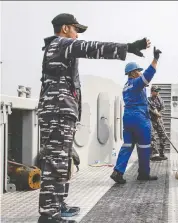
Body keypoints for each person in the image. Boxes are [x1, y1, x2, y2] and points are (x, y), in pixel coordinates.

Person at [38, 13, 150, 223]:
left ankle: (59, 205)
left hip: (61, 113)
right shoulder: (61, 44)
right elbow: (93, 48)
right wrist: (127, 47)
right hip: (57, 113)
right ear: (64, 29)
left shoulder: (60, 48)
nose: (77, 35)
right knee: (55, 163)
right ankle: (48, 216)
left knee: (62, 162)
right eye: (76, 30)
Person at [111, 46, 162, 184]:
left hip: (128, 117)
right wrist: (155, 59)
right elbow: (148, 76)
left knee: (127, 145)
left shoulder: (126, 86)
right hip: (139, 119)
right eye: (138, 71)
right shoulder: (136, 83)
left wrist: (151, 112)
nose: (140, 73)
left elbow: (137, 102)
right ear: (133, 73)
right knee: (144, 146)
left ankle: (118, 171)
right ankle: (143, 174)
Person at [148, 86, 168, 161]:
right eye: (156, 91)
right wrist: (155, 113)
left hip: (159, 120)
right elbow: (149, 108)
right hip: (151, 120)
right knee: (152, 136)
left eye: (158, 91)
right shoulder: (148, 100)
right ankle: (154, 154)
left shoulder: (160, 100)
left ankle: (162, 154)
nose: (157, 92)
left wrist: (159, 114)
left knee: (163, 136)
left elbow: (163, 108)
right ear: (152, 92)